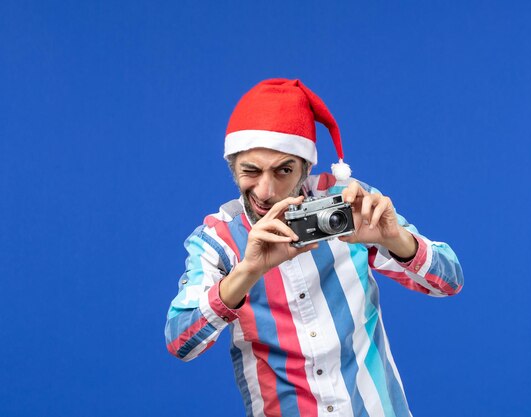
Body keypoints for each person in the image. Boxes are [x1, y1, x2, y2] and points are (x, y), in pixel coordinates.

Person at [164, 79, 464, 417]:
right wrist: (247, 272)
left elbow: (450, 282)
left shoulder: (347, 204)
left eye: (283, 170)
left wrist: (393, 239)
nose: (265, 190)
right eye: (251, 171)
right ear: (232, 166)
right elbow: (180, 342)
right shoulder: (217, 240)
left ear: (306, 167)